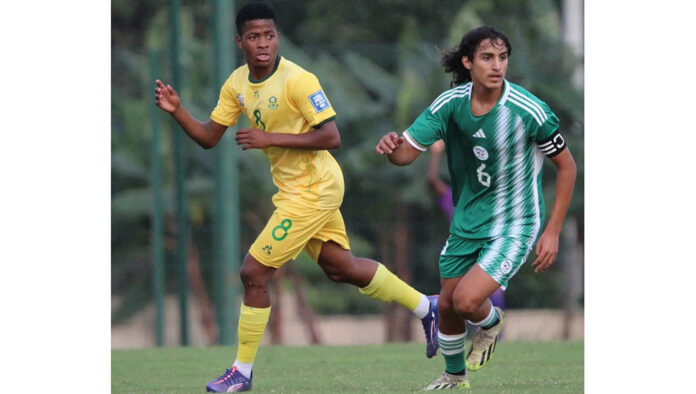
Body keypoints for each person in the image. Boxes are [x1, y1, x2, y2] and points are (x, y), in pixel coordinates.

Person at [154, 3, 439, 392]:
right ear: (240, 41)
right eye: (254, 36)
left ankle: (241, 372)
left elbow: (331, 136)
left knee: (253, 273)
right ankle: (428, 307)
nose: (263, 43)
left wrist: (269, 138)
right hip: (296, 189)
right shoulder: (236, 84)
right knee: (340, 268)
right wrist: (178, 111)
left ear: (277, 38)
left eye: (269, 35)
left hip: (314, 188)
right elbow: (209, 137)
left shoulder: (299, 80)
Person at [376, 26, 576, 390]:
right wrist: (393, 148)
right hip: (467, 220)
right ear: (468, 62)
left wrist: (552, 231)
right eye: (487, 57)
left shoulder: (528, 110)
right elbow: (406, 155)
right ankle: (455, 378)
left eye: (502, 58)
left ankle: (491, 321)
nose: (496, 66)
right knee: (449, 304)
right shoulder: (450, 104)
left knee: (468, 301)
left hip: (516, 222)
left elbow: (567, 166)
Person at [427, 139, 506, 331]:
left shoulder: (490, 198)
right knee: (456, 302)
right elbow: (432, 180)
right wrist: (436, 154)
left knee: (493, 304)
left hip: (489, 255)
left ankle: (494, 337)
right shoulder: (454, 199)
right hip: (463, 255)